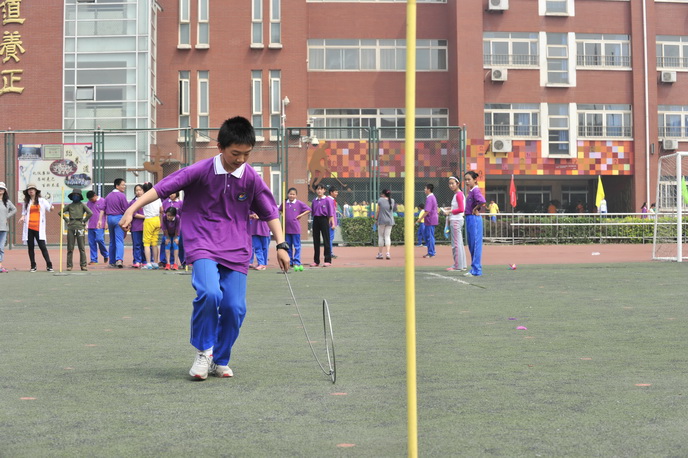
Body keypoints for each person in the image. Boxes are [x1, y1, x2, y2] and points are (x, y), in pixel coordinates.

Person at [120, 116, 289, 380]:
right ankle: (203, 352)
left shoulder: (251, 179)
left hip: (236, 248)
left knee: (235, 308)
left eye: (246, 154)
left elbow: (270, 213)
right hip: (202, 243)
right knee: (210, 294)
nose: (241, 159)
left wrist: (281, 244)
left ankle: (220, 359)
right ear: (220, 147)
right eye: (235, 153)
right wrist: (132, 208)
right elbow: (163, 188)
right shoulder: (199, 170)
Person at [18, 183, 55, 272]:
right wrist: (22, 217)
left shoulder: (42, 200)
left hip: (39, 227)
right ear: (27, 192)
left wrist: (52, 208)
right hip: (29, 227)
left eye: (32, 189)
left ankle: (49, 265)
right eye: (29, 190)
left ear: (35, 191)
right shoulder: (26, 202)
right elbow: (24, 213)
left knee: (42, 246)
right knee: (30, 247)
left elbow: (49, 208)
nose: (31, 191)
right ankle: (33, 265)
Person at [60, 189, 93, 271]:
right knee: (70, 247)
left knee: (81, 247)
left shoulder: (82, 205)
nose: (75, 197)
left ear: (80, 196)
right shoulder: (70, 206)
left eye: (77, 195)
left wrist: (84, 221)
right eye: (74, 195)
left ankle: (83, 265)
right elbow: (60, 212)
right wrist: (67, 220)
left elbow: (90, 213)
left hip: (80, 226)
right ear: (72, 196)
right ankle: (69, 265)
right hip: (71, 226)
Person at [98, 178, 128, 268]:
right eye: (122, 185)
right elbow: (126, 209)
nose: (124, 186)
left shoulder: (108, 196)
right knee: (119, 240)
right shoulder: (122, 196)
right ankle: (119, 259)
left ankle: (111, 261)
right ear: (117, 186)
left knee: (112, 241)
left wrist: (100, 220)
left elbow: (102, 209)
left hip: (109, 219)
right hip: (119, 218)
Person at [278, 187, 311, 268]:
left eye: (293, 194)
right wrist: (283, 215)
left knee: (297, 246)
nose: (292, 196)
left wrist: (300, 215)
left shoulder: (299, 203)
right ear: (288, 194)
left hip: (295, 229)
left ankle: (296, 261)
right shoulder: (285, 203)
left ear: (296, 195)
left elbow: (308, 209)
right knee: (288, 246)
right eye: (290, 194)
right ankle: (290, 261)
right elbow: (279, 210)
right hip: (286, 229)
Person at [464, 171, 486, 277]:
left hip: (474, 219)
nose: (467, 182)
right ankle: (474, 268)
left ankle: (477, 270)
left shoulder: (476, 190)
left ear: (475, 180)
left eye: (469, 179)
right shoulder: (471, 191)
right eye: (466, 180)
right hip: (469, 218)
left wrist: (476, 208)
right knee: (472, 245)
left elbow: (482, 201)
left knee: (476, 245)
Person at [442, 177, 467, 272]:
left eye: (453, 183)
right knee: (459, 244)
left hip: (456, 221)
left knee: (456, 244)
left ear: (458, 183)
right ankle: (462, 265)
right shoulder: (457, 194)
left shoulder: (458, 195)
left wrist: (450, 212)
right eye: (449, 184)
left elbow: (461, 209)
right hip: (456, 220)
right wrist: (448, 209)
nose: (451, 185)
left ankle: (457, 266)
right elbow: (457, 208)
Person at [310, 183, 335, 267]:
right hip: (316, 220)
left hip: (324, 220)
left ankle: (328, 260)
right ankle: (316, 261)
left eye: (321, 189)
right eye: (318, 189)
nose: (319, 191)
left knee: (326, 240)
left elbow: (330, 213)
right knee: (316, 241)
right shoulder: (314, 201)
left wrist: (330, 223)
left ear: (324, 190)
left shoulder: (328, 200)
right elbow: (313, 212)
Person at [141, 182, 163, 270]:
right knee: (155, 242)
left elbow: (139, 206)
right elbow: (161, 209)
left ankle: (148, 263)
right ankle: (156, 262)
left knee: (146, 243)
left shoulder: (144, 198)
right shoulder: (157, 197)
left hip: (149, 220)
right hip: (157, 219)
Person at [160, 192, 184, 267]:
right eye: (170, 193)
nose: (171, 195)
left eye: (173, 193)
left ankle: (179, 262)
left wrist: (176, 236)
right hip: (167, 229)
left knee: (177, 244)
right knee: (166, 243)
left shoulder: (180, 203)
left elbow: (182, 215)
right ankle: (166, 261)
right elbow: (163, 224)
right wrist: (167, 237)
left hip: (177, 227)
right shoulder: (165, 202)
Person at [85, 191, 108, 265]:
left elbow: (106, 212)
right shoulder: (88, 203)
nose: (91, 201)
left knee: (99, 239)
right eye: (89, 199)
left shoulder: (103, 201)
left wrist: (106, 223)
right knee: (91, 243)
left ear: (95, 195)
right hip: (91, 225)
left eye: (92, 199)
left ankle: (105, 254)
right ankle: (94, 259)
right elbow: (87, 214)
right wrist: (86, 224)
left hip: (100, 225)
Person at [0, 181, 18, 273]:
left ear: (5, 190)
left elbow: (14, 209)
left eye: (2, 189)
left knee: (1, 247)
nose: (0, 190)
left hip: (3, 227)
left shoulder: (7, 202)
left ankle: (0, 265)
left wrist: (7, 216)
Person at [374, 189, 395, 260]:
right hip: (390, 220)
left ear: (383, 194)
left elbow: (378, 211)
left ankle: (380, 254)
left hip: (382, 220)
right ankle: (388, 253)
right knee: (387, 236)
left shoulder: (380, 200)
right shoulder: (392, 200)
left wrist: (376, 219)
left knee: (381, 236)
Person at [129, 184, 146, 268]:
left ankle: (145, 260)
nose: (138, 192)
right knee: (137, 244)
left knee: (145, 244)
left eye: (140, 190)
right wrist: (145, 216)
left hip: (146, 226)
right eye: (137, 190)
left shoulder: (147, 200)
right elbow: (133, 214)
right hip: (136, 226)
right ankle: (137, 261)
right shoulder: (132, 202)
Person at [422, 184, 438, 258]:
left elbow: (427, 211)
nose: (424, 190)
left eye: (425, 188)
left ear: (428, 189)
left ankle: (431, 252)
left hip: (430, 220)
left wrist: (419, 219)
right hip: (430, 219)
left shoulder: (430, 198)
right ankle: (431, 251)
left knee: (430, 236)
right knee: (428, 236)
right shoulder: (431, 197)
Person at [327, 186, 340, 259]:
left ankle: (329, 252)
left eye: (337, 192)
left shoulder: (332, 200)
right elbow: (330, 213)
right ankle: (330, 253)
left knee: (330, 238)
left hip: (331, 222)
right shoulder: (330, 200)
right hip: (331, 223)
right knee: (330, 238)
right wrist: (333, 223)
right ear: (331, 192)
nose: (337, 193)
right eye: (335, 192)